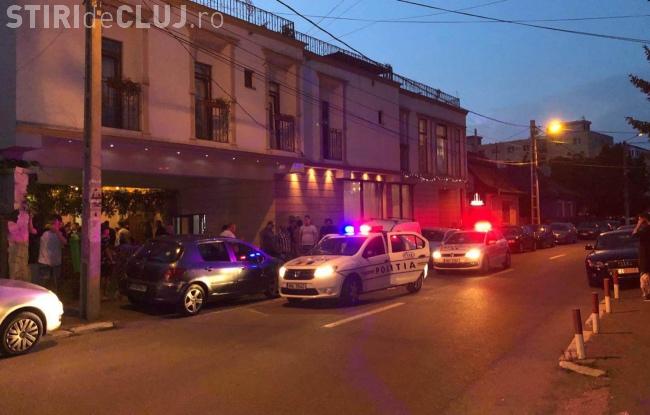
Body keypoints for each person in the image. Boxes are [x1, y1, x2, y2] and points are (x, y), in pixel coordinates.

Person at [37, 215, 67, 293]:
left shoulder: (61, 232)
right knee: (43, 286)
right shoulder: (44, 231)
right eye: (52, 223)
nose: (54, 225)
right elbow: (33, 231)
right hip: (44, 262)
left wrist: (57, 232)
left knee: (56, 285)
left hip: (56, 263)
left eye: (56, 223)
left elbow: (65, 242)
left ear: (60, 224)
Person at [7, 207, 37, 282]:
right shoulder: (14, 218)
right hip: (16, 247)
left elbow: (32, 230)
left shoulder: (25, 216)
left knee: (22, 270)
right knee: (16, 271)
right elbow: (16, 234)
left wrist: (30, 219)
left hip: (24, 247)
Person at [633, 212, 650, 301]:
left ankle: (647, 295)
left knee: (644, 279)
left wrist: (638, 224)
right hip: (646, 258)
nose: (638, 221)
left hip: (646, 259)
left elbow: (634, 234)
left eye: (639, 219)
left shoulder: (646, 230)